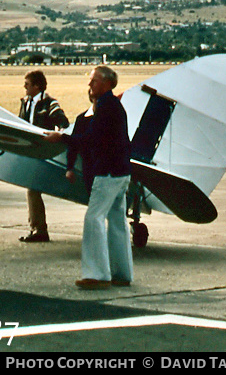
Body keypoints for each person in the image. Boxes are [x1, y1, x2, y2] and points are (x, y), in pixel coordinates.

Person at [46, 66, 133, 290]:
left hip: (108, 173)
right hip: (121, 172)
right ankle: (122, 273)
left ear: (105, 84)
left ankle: (97, 274)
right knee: (117, 222)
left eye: (93, 81)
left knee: (93, 218)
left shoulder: (105, 108)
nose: (89, 85)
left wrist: (62, 138)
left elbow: (91, 139)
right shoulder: (114, 106)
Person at [18, 70, 69, 242]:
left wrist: (56, 137)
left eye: (27, 84)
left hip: (44, 153)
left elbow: (63, 123)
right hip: (31, 152)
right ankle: (37, 228)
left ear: (36, 86)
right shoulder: (25, 102)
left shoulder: (49, 104)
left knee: (32, 189)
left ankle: (39, 230)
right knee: (31, 189)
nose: (24, 87)